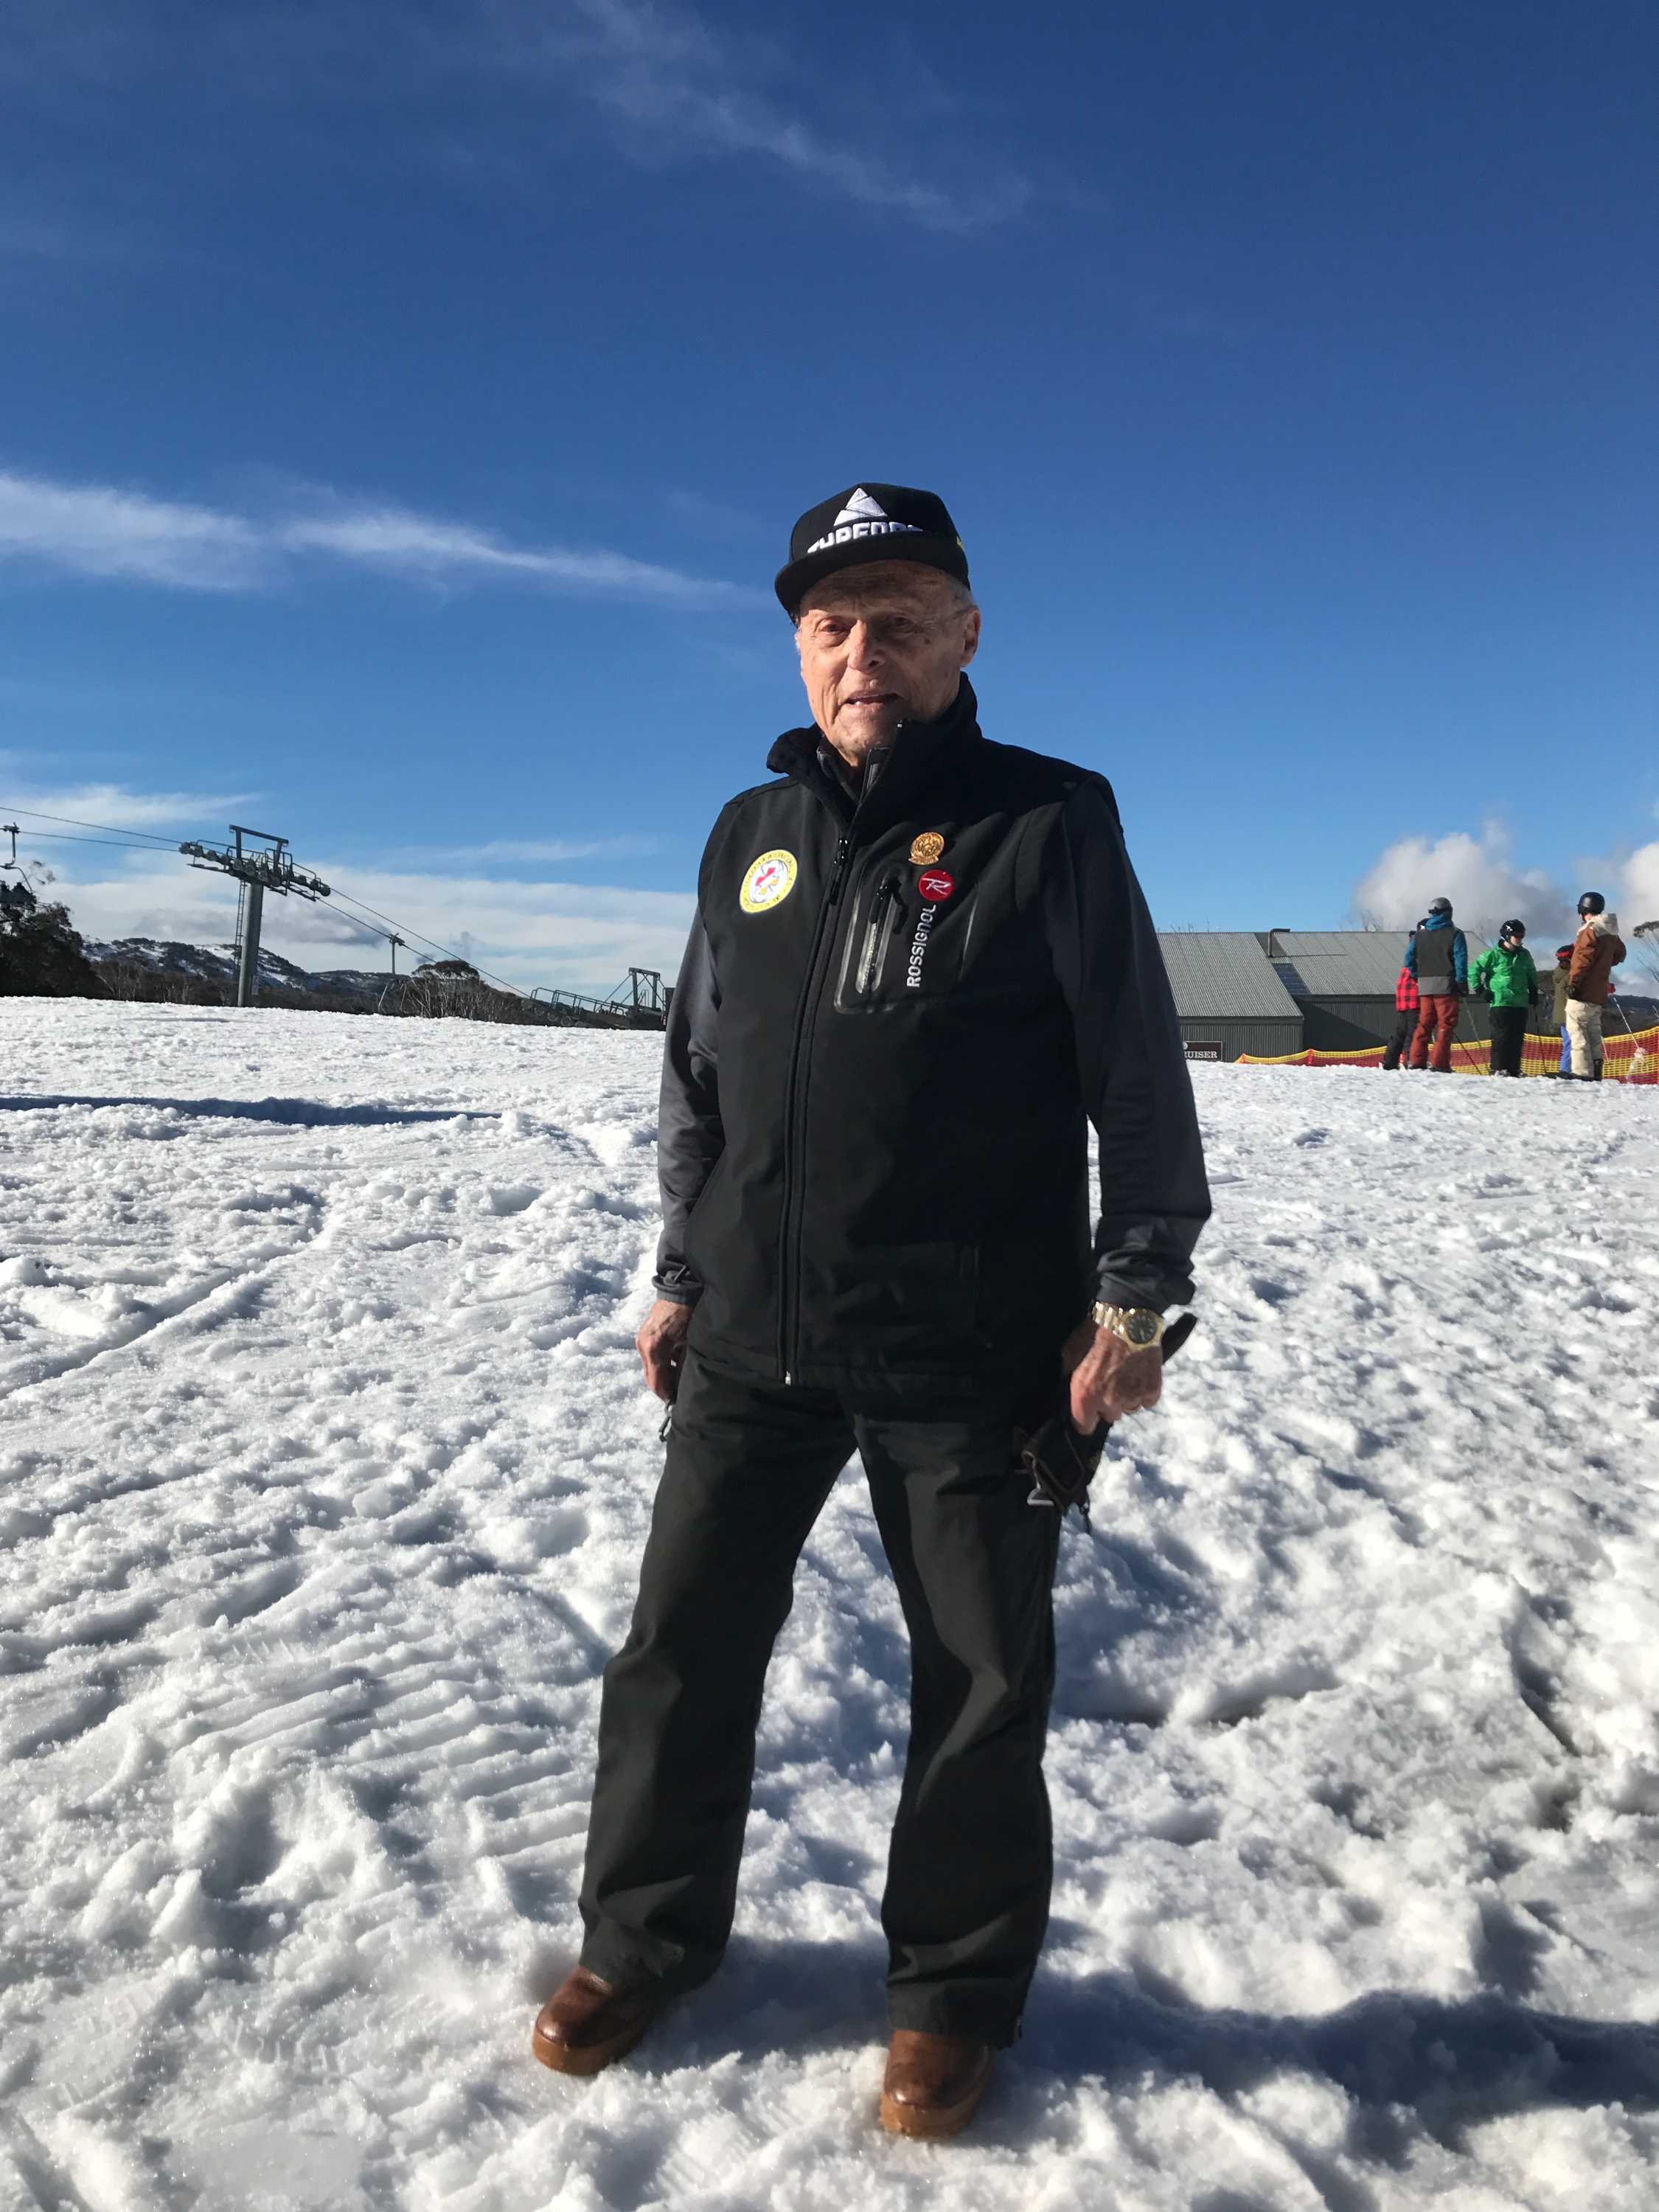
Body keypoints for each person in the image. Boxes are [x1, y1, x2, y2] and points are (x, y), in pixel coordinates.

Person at [532, 483, 1211, 2138]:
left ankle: (951, 1999)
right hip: (753, 1341)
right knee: (679, 1653)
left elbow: (1140, 1079)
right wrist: (683, 1271)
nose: (863, 651)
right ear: (797, 644)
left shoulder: (1049, 822)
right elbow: (700, 1074)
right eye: (832, 623)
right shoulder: (745, 837)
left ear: (967, 636)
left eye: (899, 618)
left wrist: (1136, 1290)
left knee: (979, 1684)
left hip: (976, 1353)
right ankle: (644, 1940)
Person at [1565, 892, 1626, 1081]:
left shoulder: (1589, 931)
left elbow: (1582, 960)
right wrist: (1604, 963)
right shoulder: (1611, 933)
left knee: (1577, 1031)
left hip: (1583, 991)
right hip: (1598, 992)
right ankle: (1596, 1071)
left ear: (1583, 910)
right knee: (1593, 1032)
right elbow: (1620, 955)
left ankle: (1582, 1073)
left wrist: (1573, 983)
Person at [1405, 897, 1468, 1071]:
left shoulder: (1420, 935)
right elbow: (1460, 960)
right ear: (1449, 912)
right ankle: (1440, 1063)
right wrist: (1462, 982)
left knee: (1424, 1024)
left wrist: (1417, 975)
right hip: (1446, 986)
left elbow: (1408, 959)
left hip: (1424, 987)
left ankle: (1416, 1061)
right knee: (1445, 1025)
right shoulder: (1455, 934)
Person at [1470, 920, 1538, 1077]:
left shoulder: (1525, 955)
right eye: (1516, 936)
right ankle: (1498, 1068)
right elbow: (1473, 970)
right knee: (1501, 1037)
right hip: (1500, 1001)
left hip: (1520, 1002)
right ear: (1507, 936)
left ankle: (1514, 1068)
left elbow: (1531, 973)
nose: (1520, 939)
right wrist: (1480, 989)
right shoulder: (1493, 955)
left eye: (1522, 936)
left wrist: (1533, 990)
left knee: (1517, 1037)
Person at [1381, 960, 1418, 1070]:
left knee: (1401, 1033)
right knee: (1413, 1034)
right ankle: (1409, 1060)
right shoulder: (1420, 963)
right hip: (1414, 1001)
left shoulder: (1406, 965)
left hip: (1402, 1001)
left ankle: (1389, 1061)